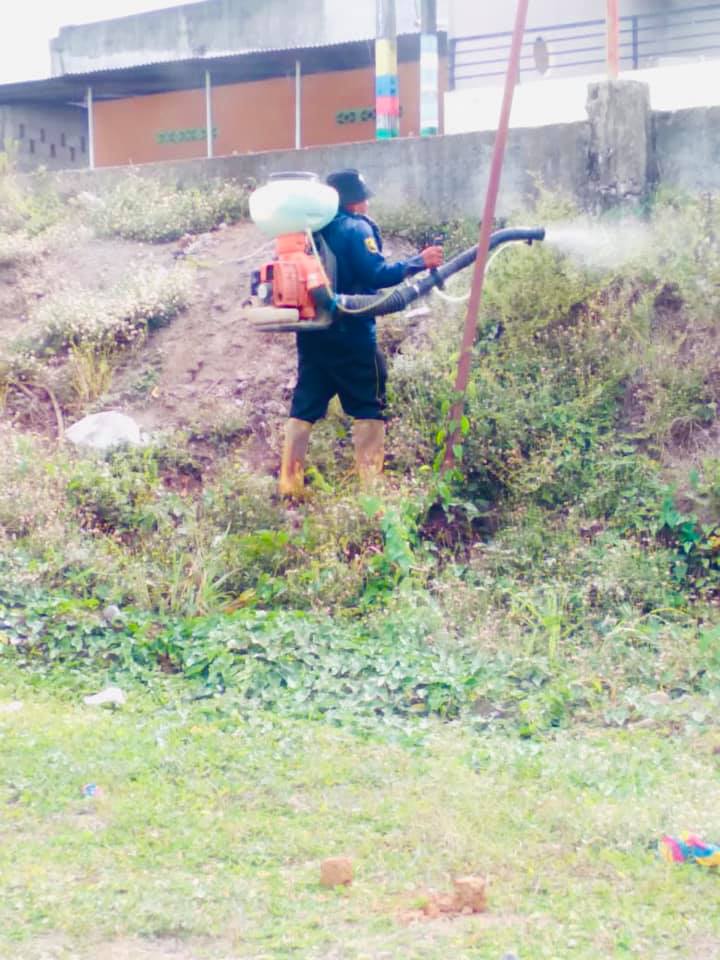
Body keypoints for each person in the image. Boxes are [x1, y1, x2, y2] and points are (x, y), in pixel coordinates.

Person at [278, 168, 444, 497]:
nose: (367, 204)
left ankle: (289, 484)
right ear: (355, 201)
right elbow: (376, 274)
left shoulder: (306, 232)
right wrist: (419, 261)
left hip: (312, 332)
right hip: (351, 332)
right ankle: (371, 491)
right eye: (364, 199)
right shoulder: (356, 228)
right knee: (369, 402)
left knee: (305, 405)